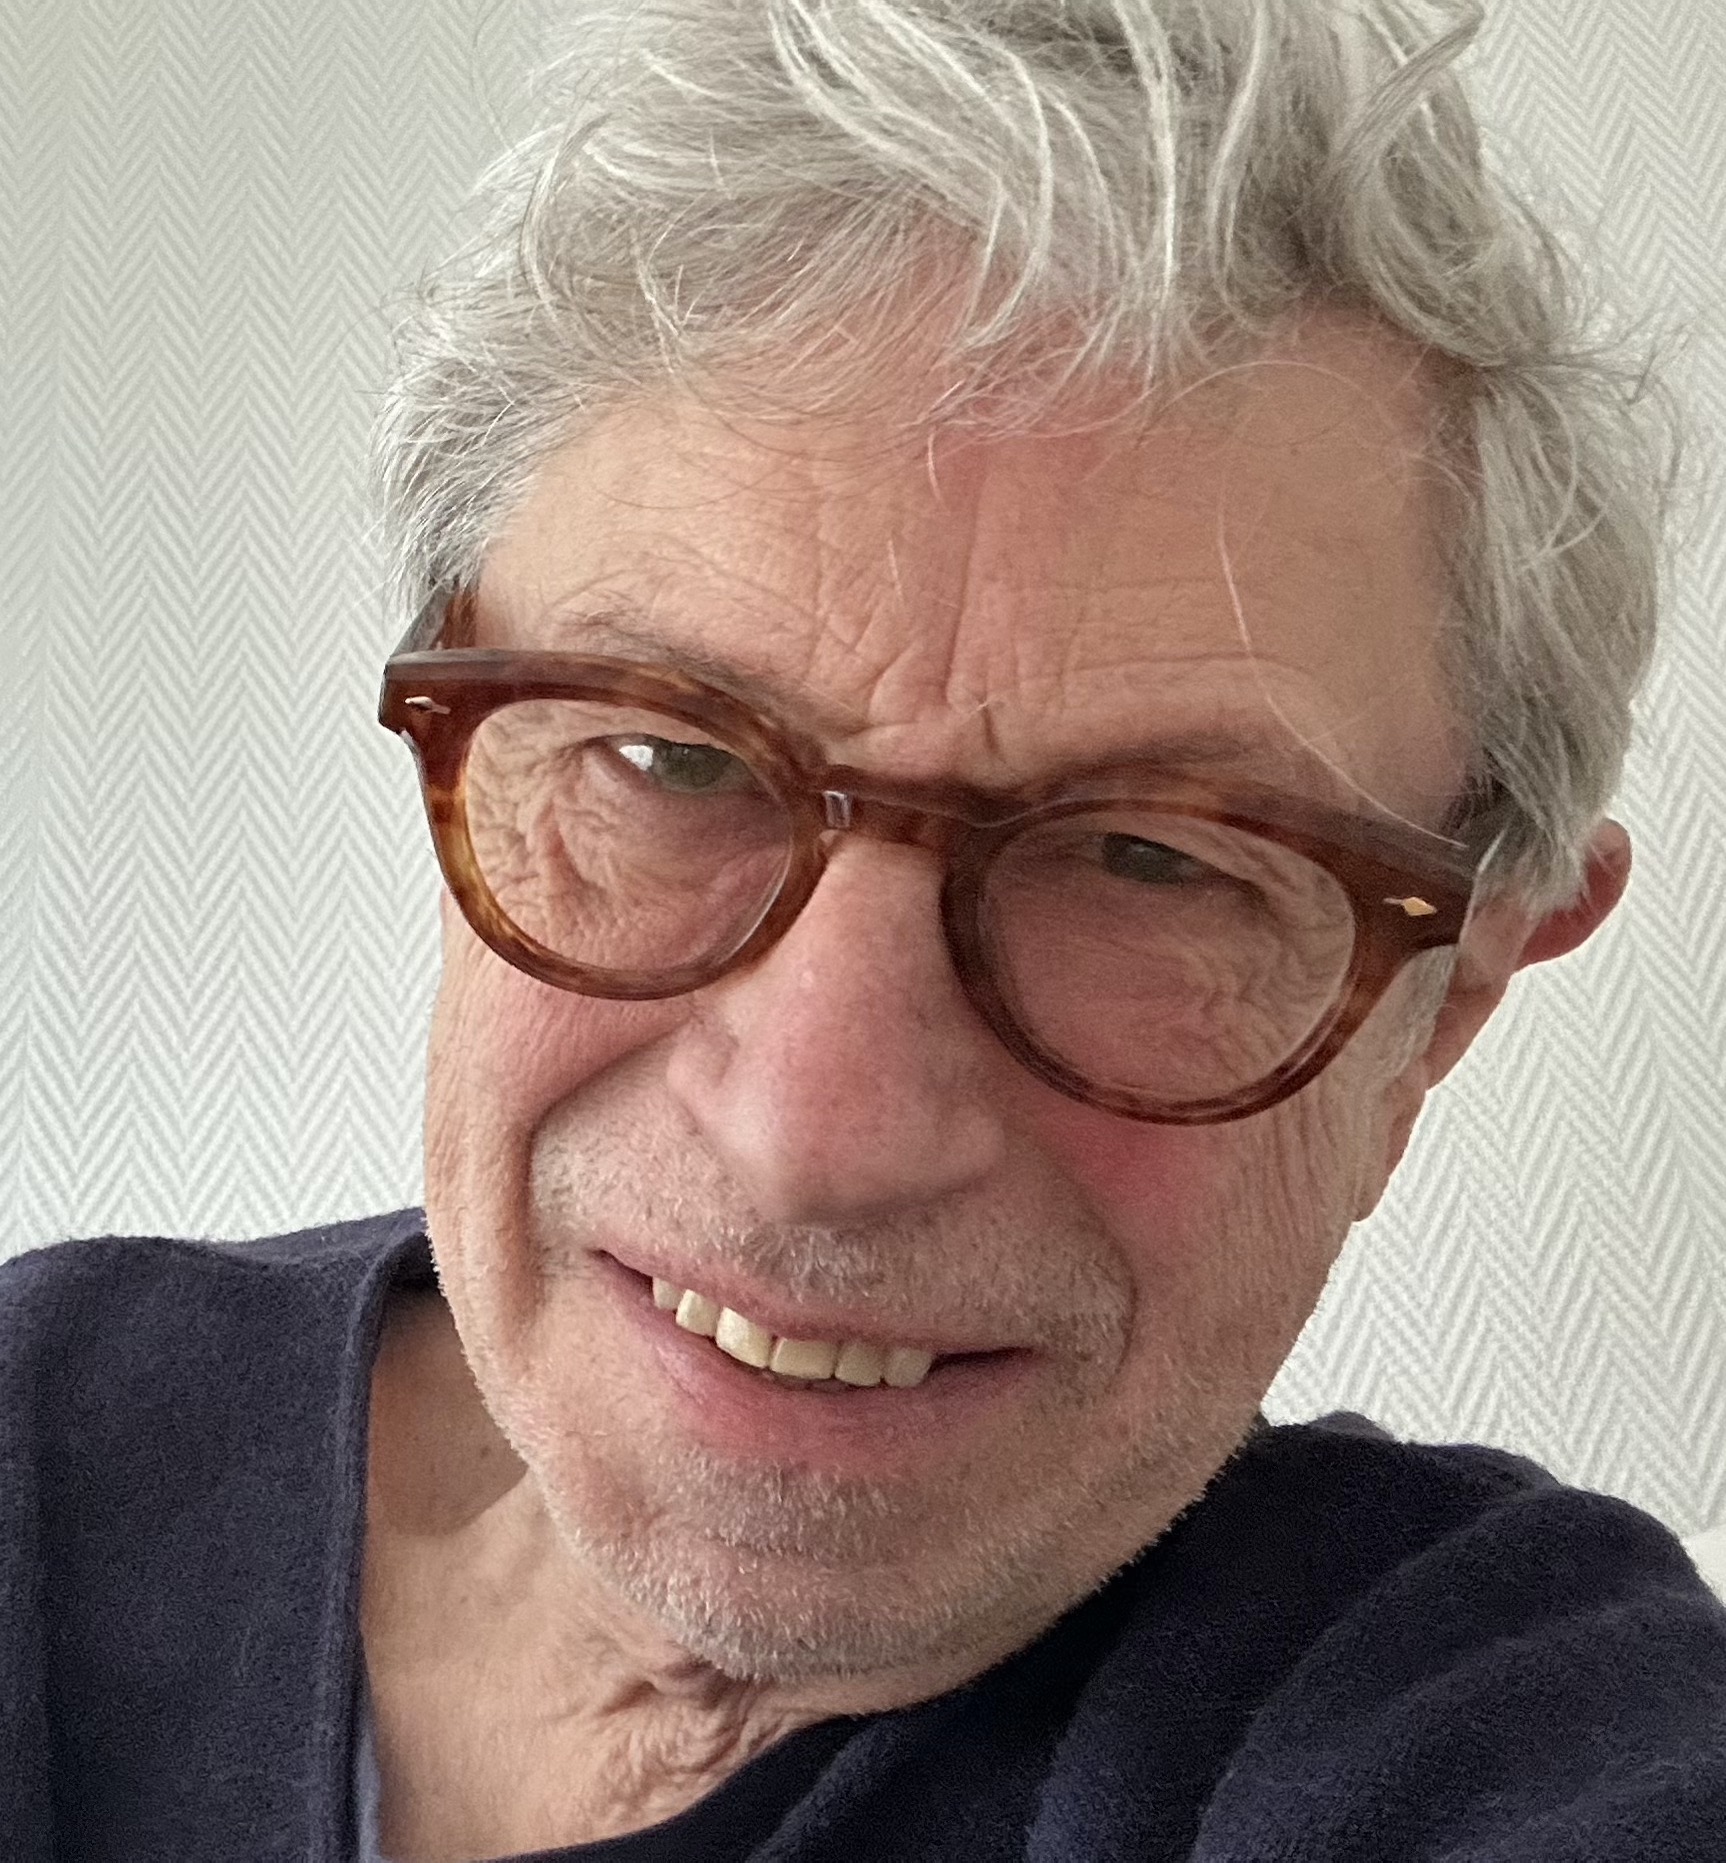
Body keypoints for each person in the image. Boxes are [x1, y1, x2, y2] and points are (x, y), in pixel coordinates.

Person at [4, 1, 1724, 1858]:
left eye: (1152, 861)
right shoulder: (50, 1434)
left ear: (1442, 1011)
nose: (814, 1136)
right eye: (670, 758)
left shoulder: (1481, 1715)